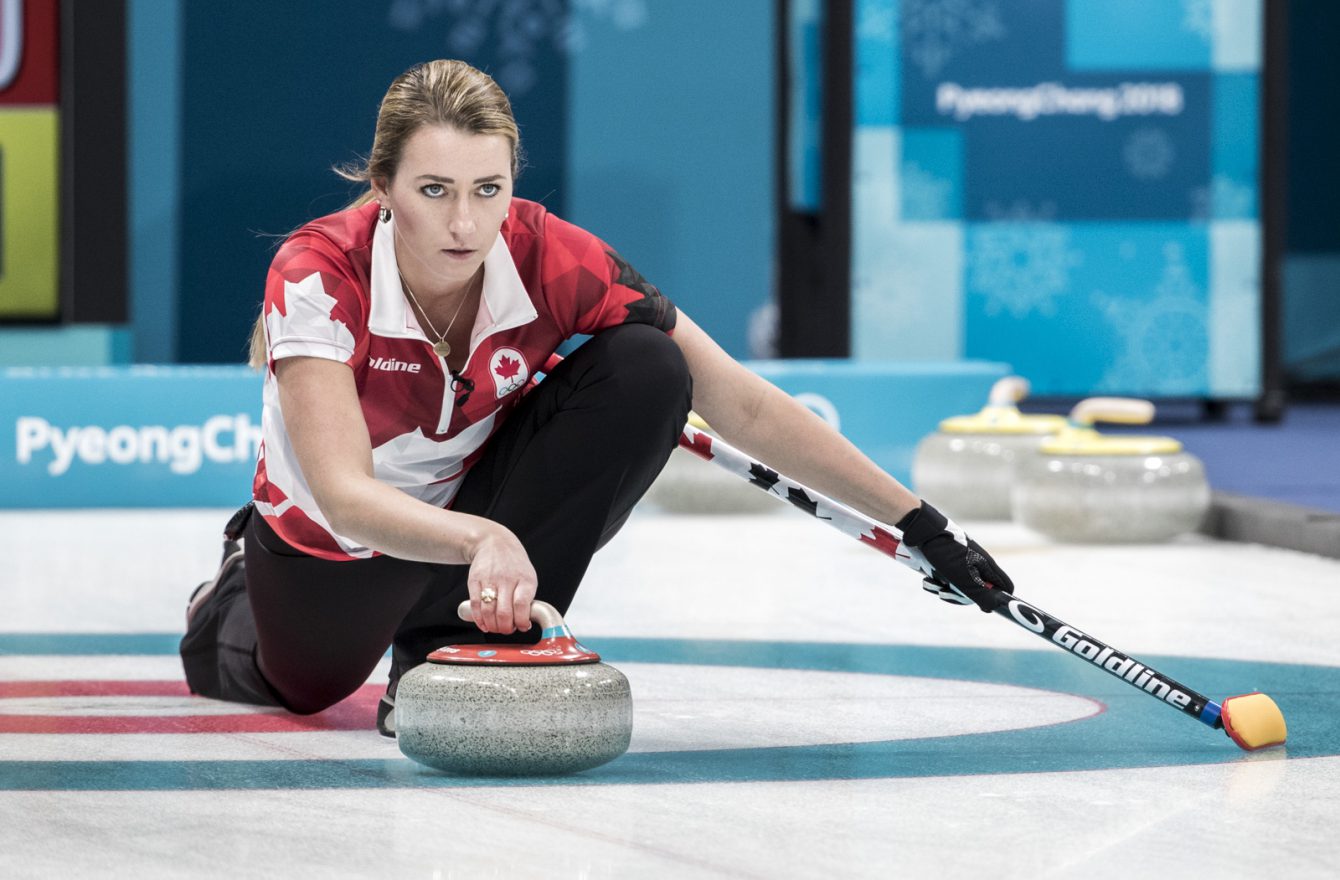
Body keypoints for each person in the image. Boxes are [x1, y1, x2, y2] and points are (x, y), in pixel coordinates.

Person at [179, 59, 1014, 737]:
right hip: (330, 550)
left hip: (467, 531)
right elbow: (345, 496)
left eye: (488, 189)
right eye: (434, 190)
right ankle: (233, 595)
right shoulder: (319, 271)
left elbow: (739, 401)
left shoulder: (557, 260)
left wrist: (921, 524)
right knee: (301, 691)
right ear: (385, 185)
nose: (465, 225)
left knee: (650, 368)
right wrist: (486, 537)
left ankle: (444, 654)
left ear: (513, 182)